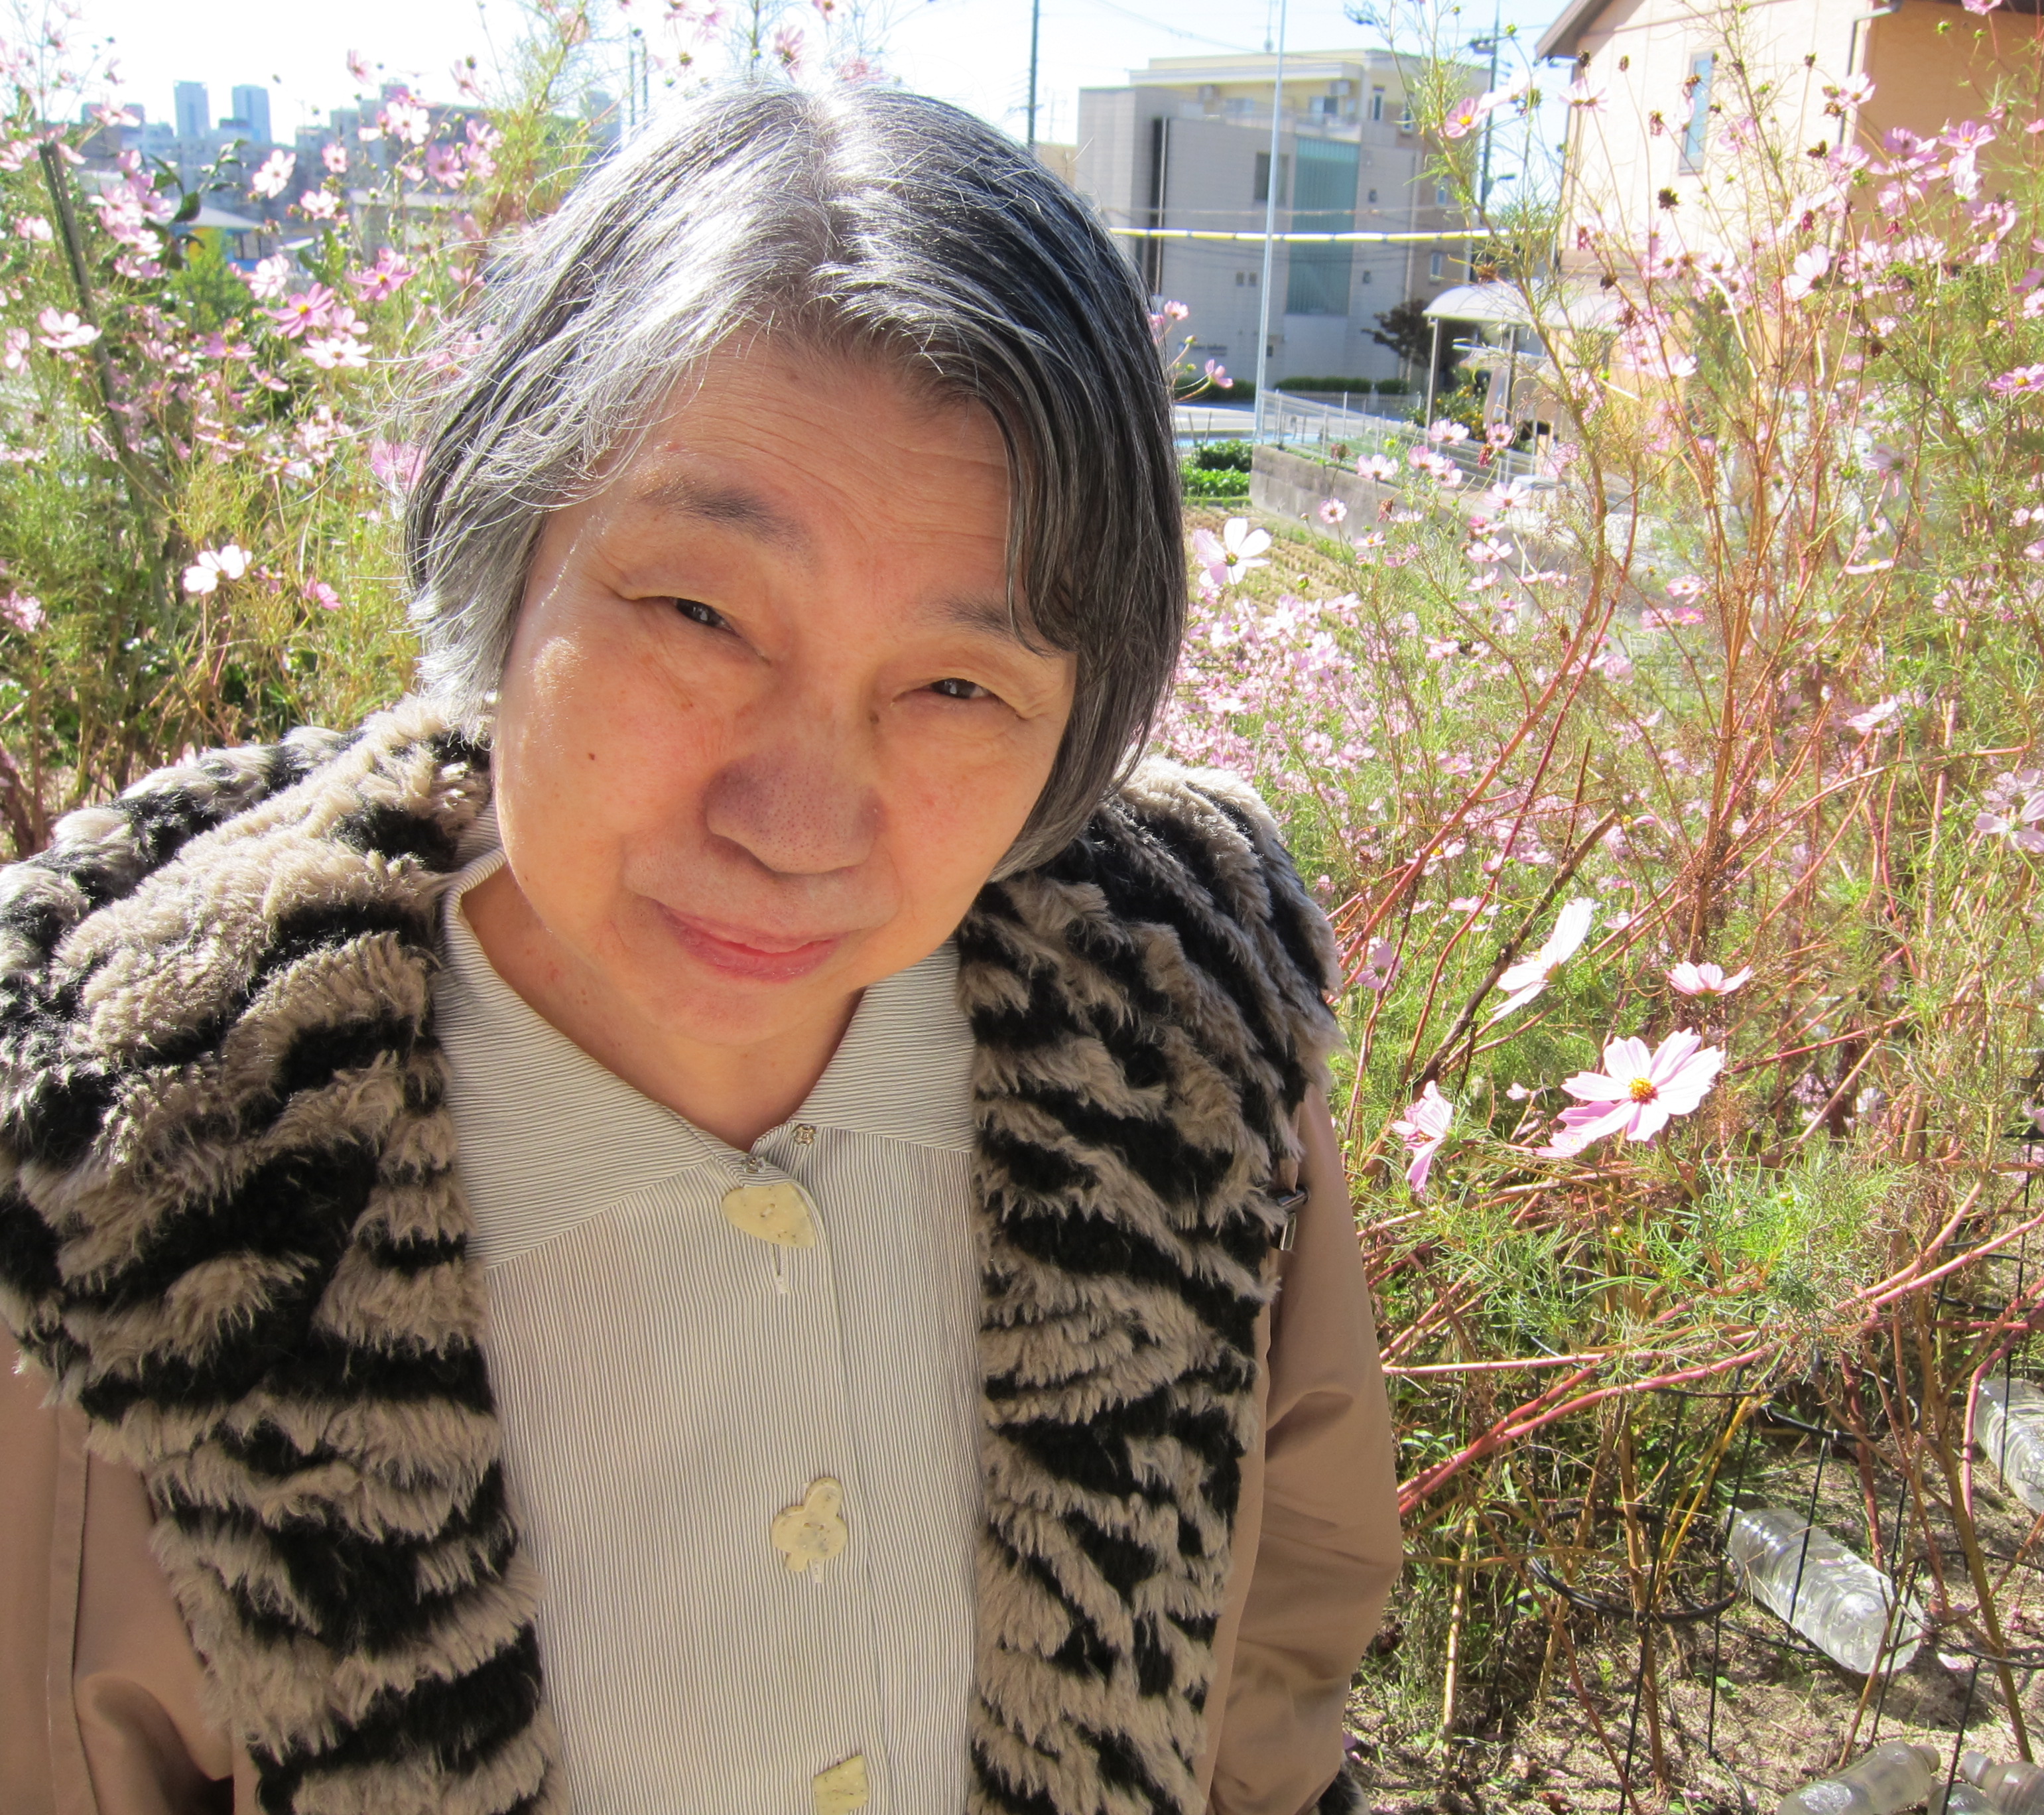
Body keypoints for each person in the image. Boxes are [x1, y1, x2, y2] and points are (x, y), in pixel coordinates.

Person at [0, 82, 1398, 1815]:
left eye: (958, 685)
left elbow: (1271, 1664)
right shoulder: (128, 1182)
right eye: (699, 613)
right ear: (506, 556)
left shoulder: (1182, 1050)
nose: (797, 823)